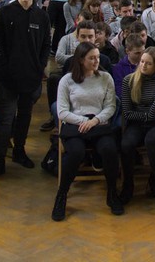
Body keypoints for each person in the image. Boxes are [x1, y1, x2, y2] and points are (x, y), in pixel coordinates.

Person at [0, 0, 51, 182]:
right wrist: (2, 67)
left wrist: (40, 67)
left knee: (24, 116)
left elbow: (46, 45)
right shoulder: (5, 13)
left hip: (31, 76)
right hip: (8, 76)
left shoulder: (41, 16)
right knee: (5, 120)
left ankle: (19, 151)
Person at [52, 42, 121, 220]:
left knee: (109, 149)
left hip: (98, 124)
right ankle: (62, 195)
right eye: (92, 58)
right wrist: (84, 121)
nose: (96, 61)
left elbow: (111, 106)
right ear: (81, 60)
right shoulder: (67, 80)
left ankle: (112, 193)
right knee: (76, 152)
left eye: (97, 57)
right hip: (76, 125)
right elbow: (62, 112)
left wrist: (95, 120)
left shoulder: (105, 78)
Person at [120, 47, 155, 213]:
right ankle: (128, 186)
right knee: (126, 144)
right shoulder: (129, 80)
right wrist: (151, 114)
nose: (143, 65)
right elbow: (128, 113)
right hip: (137, 123)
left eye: (148, 63)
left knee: (151, 142)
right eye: (142, 61)